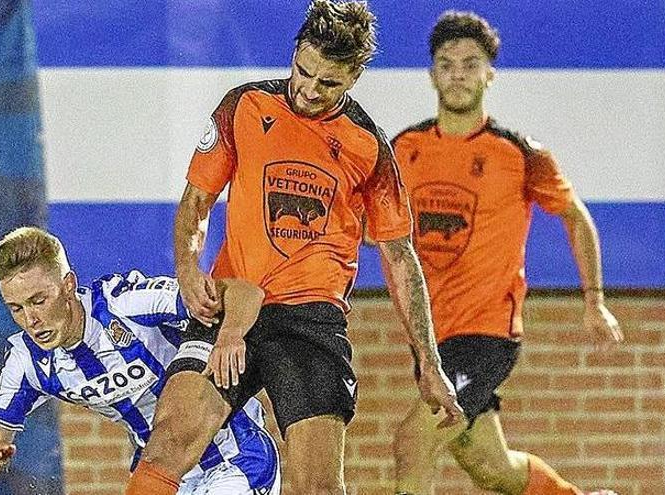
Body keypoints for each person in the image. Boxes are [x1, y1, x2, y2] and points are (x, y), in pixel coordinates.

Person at [124, 2, 464, 495]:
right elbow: (198, 200)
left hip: (310, 322)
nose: (309, 89)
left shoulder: (368, 144)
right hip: (231, 305)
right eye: (304, 71)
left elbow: (398, 256)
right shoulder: (244, 106)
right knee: (168, 445)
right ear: (294, 52)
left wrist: (430, 365)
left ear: (353, 78)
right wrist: (186, 265)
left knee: (316, 487)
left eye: (329, 83)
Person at [389, 11, 624, 495]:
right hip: (429, 338)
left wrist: (594, 299)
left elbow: (576, 218)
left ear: (489, 74)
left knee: (414, 439)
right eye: (447, 63)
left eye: (470, 63)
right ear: (432, 73)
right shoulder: (403, 150)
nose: (458, 73)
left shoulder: (518, 154)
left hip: (487, 333)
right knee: (487, 464)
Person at [0, 226, 281, 494]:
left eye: (38, 300)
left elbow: (244, 293)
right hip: (162, 474)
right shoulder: (27, 361)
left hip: (236, 458)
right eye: (16, 308)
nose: (31, 320)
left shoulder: (127, 304)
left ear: (68, 285)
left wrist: (230, 336)